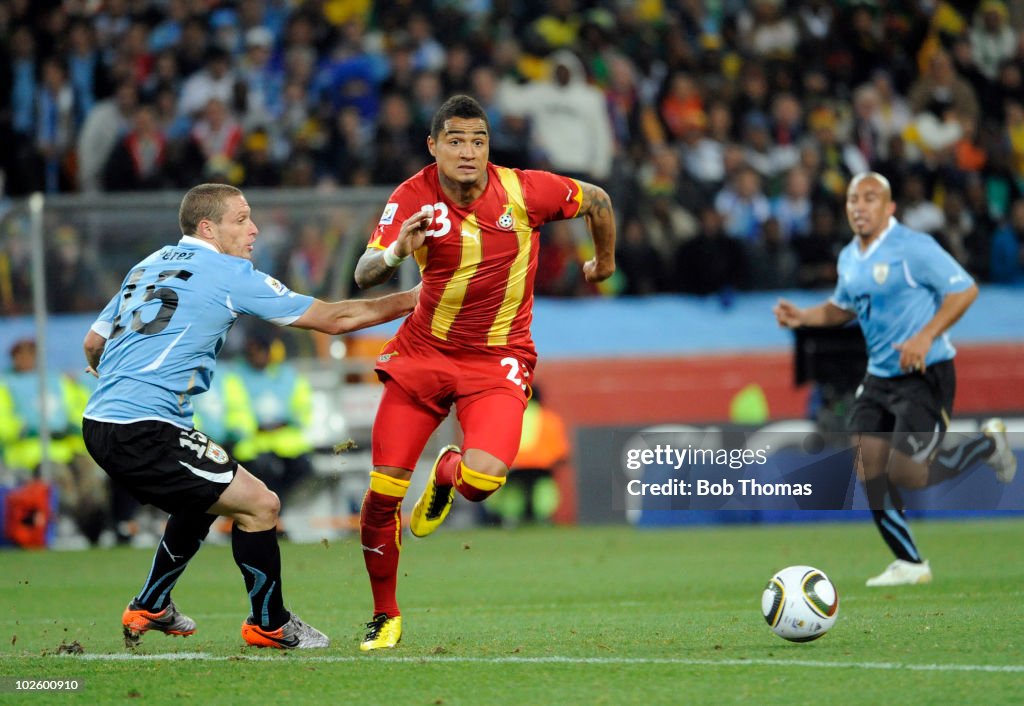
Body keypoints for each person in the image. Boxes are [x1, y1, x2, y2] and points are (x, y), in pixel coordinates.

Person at [81, 183, 418, 650]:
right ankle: (270, 623)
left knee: (201, 501)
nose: (254, 228)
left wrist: (121, 381)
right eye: (241, 219)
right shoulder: (229, 273)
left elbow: (93, 346)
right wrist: (418, 298)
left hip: (102, 421)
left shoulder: (149, 263)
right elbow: (336, 319)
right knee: (261, 505)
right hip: (145, 428)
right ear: (208, 228)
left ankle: (153, 602)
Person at [352, 94, 615, 650]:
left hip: (497, 362)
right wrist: (400, 248)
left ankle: (448, 473)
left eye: (478, 141)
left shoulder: (524, 190)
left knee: (484, 481)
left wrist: (605, 262)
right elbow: (364, 272)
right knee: (382, 492)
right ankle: (386, 614)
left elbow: (598, 199)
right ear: (433, 146)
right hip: (424, 355)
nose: (468, 152)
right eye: (455, 140)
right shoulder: (411, 197)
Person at [773, 172, 1016, 587]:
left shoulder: (914, 248)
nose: (859, 206)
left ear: (889, 209)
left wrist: (924, 336)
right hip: (879, 377)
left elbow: (965, 290)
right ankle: (910, 563)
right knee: (868, 462)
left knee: (908, 473)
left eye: (870, 199)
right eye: (853, 199)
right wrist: (805, 317)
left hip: (925, 375)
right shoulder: (850, 256)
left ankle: (987, 446)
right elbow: (843, 307)